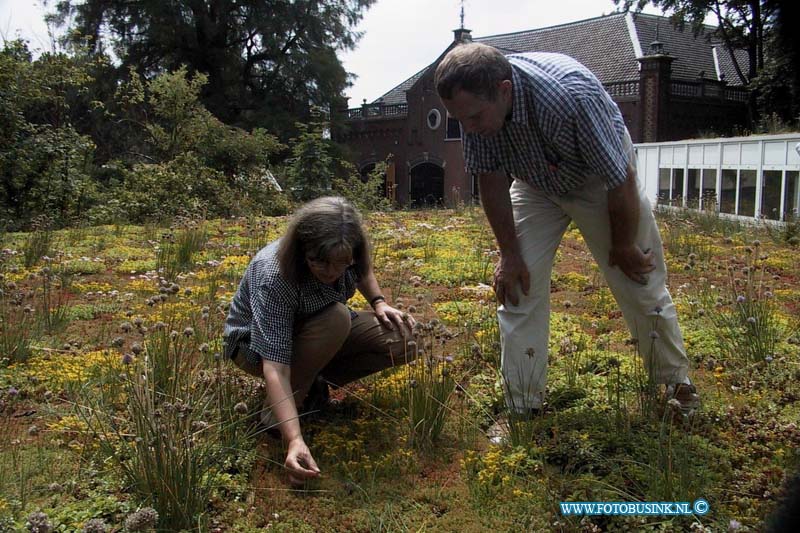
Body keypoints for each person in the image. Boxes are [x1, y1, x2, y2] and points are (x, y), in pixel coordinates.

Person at [434, 43, 699, 418]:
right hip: (535, 183)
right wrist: (509, 255)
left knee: (637, 275)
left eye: (474, 117)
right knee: (517, 285)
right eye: (460, 120)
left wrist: (623, 245)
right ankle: (521, 406)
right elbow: (491, 181)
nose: (469, 129)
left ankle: (678, 385)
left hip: (598, 177)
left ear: (504, 90)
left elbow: (618, 177)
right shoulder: (474, 112)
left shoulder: (568, 97)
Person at [223, 196, 415, 485]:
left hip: (320, 330)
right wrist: (294, 439)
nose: (332, 272)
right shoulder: (273, 275)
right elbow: (275, 367)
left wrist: (378, 302)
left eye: (342, 263)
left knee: (405, 338)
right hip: (256, 347)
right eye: (320, 263)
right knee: (337, 318)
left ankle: (313, 382)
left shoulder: (345, 254)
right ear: (302, 249)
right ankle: (275, 417)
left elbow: (360, 270)